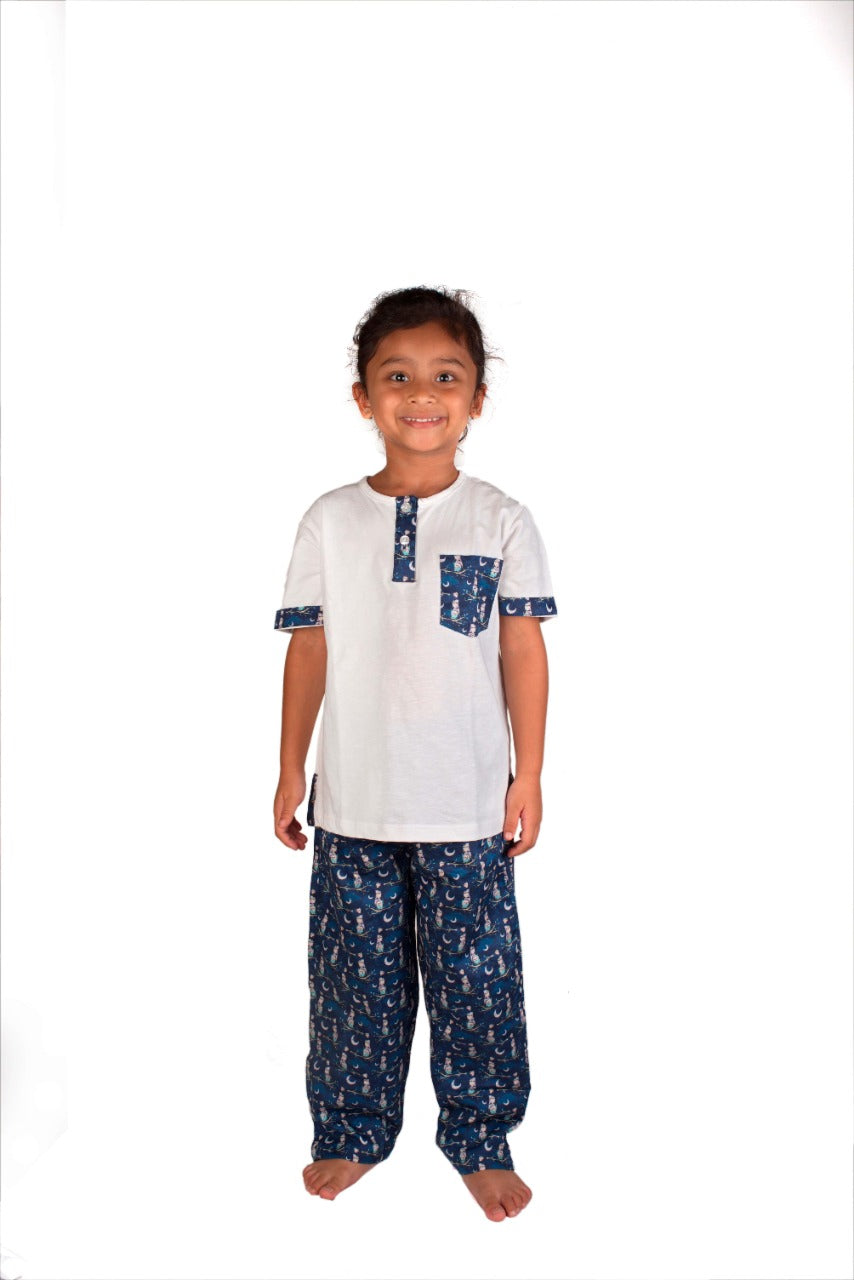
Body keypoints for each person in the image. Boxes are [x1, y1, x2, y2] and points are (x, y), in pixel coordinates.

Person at [272, 286, 557, 1223]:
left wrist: (528, 772)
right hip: (353, 803)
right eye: (397, 376)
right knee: (353, 984)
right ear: (364, 397)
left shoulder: (501, 518)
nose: (421, 394)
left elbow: (522, 649)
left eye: (446, 376)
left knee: (477, 984)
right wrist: (290, 768)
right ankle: (352, 1130)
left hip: (466, 805)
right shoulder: (329, 520)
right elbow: (308, 649)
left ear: (476, 398)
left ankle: (480, 1138)